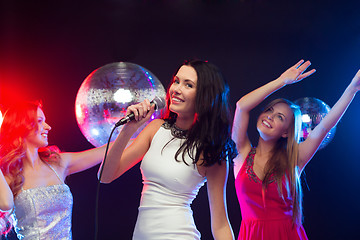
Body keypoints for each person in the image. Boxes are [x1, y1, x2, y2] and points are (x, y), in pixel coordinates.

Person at [99, 59, 238, 240]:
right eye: (177, 81)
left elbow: (220, 223)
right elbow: (105, 176)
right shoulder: (156, 128)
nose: (176, 89)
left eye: (188, 85)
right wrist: (128, 129)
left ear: (206, 96)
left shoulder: (211, 149)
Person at [232, 59, 360, 240]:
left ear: (286, 132)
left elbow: (324, 126)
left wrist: (352, 88)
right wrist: (281, 81)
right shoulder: (241, 154)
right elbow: (241, 106)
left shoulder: (294, 158)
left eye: (280, 117)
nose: (270, 116)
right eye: (269, 110)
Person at [0, 101, 111, 239]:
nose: (48, 127)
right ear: (21, 126)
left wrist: (138, 134)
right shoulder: (7, 176)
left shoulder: (58, 163)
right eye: (40, 121)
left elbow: (106, 151)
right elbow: (5, 204)